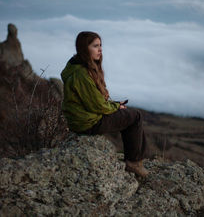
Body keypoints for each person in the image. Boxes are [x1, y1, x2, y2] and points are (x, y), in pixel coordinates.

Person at [61, 31, 148, 177]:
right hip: (88, 123)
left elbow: (93, 100)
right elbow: (98, 106)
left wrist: (114, 104)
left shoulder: (75, 66)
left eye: (100, 45)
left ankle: (135, 159)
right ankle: (134, 162)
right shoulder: (81, 74)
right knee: (135, 116)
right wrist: (115, 106)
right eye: (95, 46)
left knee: (128, 115)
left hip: (79, 120)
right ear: (84, 48)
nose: (100, 49)